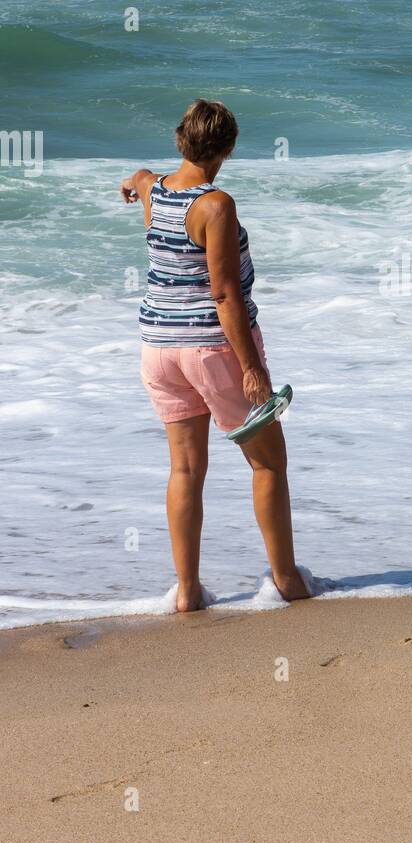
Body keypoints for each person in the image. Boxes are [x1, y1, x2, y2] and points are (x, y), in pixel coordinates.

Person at [121, 99, 309, 610]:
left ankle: (187, 592)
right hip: (209, 348)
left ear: (180, 140)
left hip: (157, 349)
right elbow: (224, 293)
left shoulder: (156, 191)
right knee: (267, 464)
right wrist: (251, 368)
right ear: (227, 147)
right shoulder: (215, 205)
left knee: (185, 470)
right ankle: (288, 580)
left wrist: (133, 179)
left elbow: (140, 178)